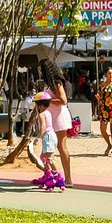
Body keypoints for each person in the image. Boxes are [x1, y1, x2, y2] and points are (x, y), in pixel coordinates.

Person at [39, 58, 74, 188]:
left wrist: (46, 100)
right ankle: (50, 175)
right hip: (51, 117)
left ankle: (68, 178)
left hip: (59, 116)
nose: (39, 72)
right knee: (48, 146)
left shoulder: (56, 83)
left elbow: (63, 100)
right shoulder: (48, 84)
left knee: (61, 146)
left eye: (41, 70)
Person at [30, 92, 65, 191]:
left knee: (49, 158)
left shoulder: (41, 114)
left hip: (48, 136)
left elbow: (43, 127)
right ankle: (48, 175)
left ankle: (58, 177)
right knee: (43, 157)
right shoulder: (48, 112)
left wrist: (38, 137)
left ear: (40, 105)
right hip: (52, 135)